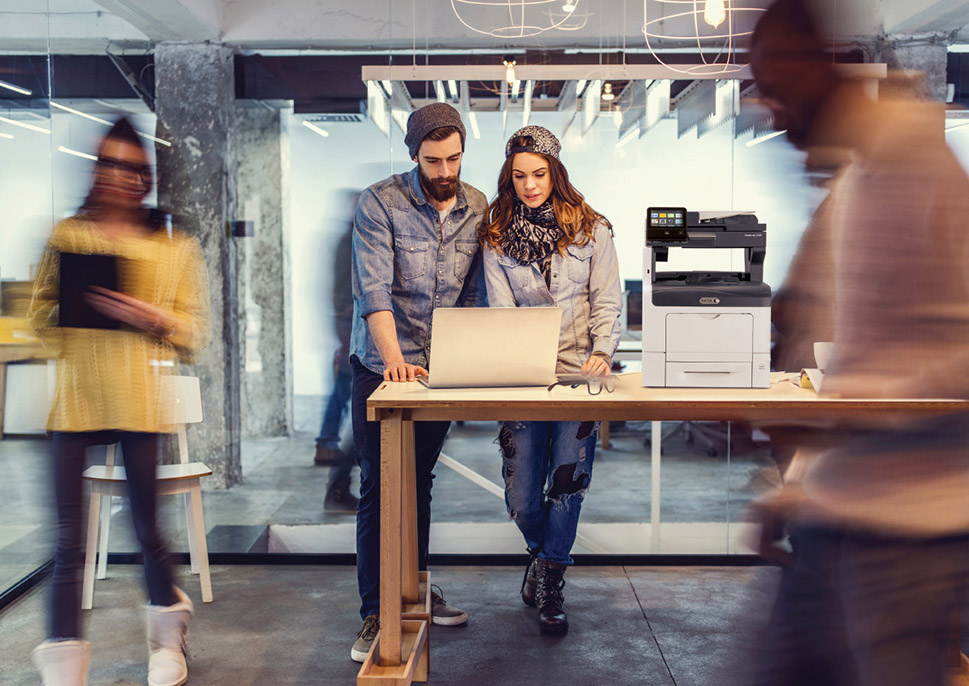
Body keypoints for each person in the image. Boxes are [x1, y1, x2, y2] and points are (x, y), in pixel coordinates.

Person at [749, 2, 969, 684]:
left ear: (815, 64)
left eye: (774, 85)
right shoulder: (850, 180)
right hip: (830, 518)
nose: (770, 111)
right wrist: (793, 489)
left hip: (909, 535)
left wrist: (845, 406)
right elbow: (858, 355)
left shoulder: (914, 161)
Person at [27, 118, 209, 686]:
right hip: (76, 403)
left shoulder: (173, 246)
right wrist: (73, 305)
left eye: (132, 168)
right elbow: (38, 318)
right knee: (68, 540)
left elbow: (193, 332)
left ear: (147, 178)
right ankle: (63, 661)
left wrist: (149, 316)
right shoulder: (68, 237)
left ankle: (168, 640)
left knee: (147, 530)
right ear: (96, 171)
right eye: (110, 164)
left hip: (137, 403)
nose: (120, 177)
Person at [349, 102, 487, 661]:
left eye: (454, 158)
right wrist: (395, 361)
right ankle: (374, 613)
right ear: (414, 156)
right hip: (380, 369)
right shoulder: (379, 202)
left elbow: (478, 292)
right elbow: (374, 294)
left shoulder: (476, 204)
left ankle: (413, 591)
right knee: (381, 486)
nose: (446, 171)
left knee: (418, 483)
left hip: (440, 371)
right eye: (434, 161)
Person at [479, 125, 621, 635]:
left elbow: (606, 300)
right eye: (519, 175)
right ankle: (543, 556)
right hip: (523, 378)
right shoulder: (495, 235)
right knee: (521, 495)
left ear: (555, 172)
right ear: (509, 177)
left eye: (538, 173)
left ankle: (551, 583)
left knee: (568, 484)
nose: (530, 184)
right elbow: (500, 312)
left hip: (579, 376)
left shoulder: (592, 230)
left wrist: (603, 352)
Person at [314, 208, 359, 513]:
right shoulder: (352, 239)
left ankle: (327, 443)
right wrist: (344, 334)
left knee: (344, 396)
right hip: (352, 329)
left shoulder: (353, 236)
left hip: (351, 327)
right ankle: (335, 474)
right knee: (355, 407)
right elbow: (343, 288)